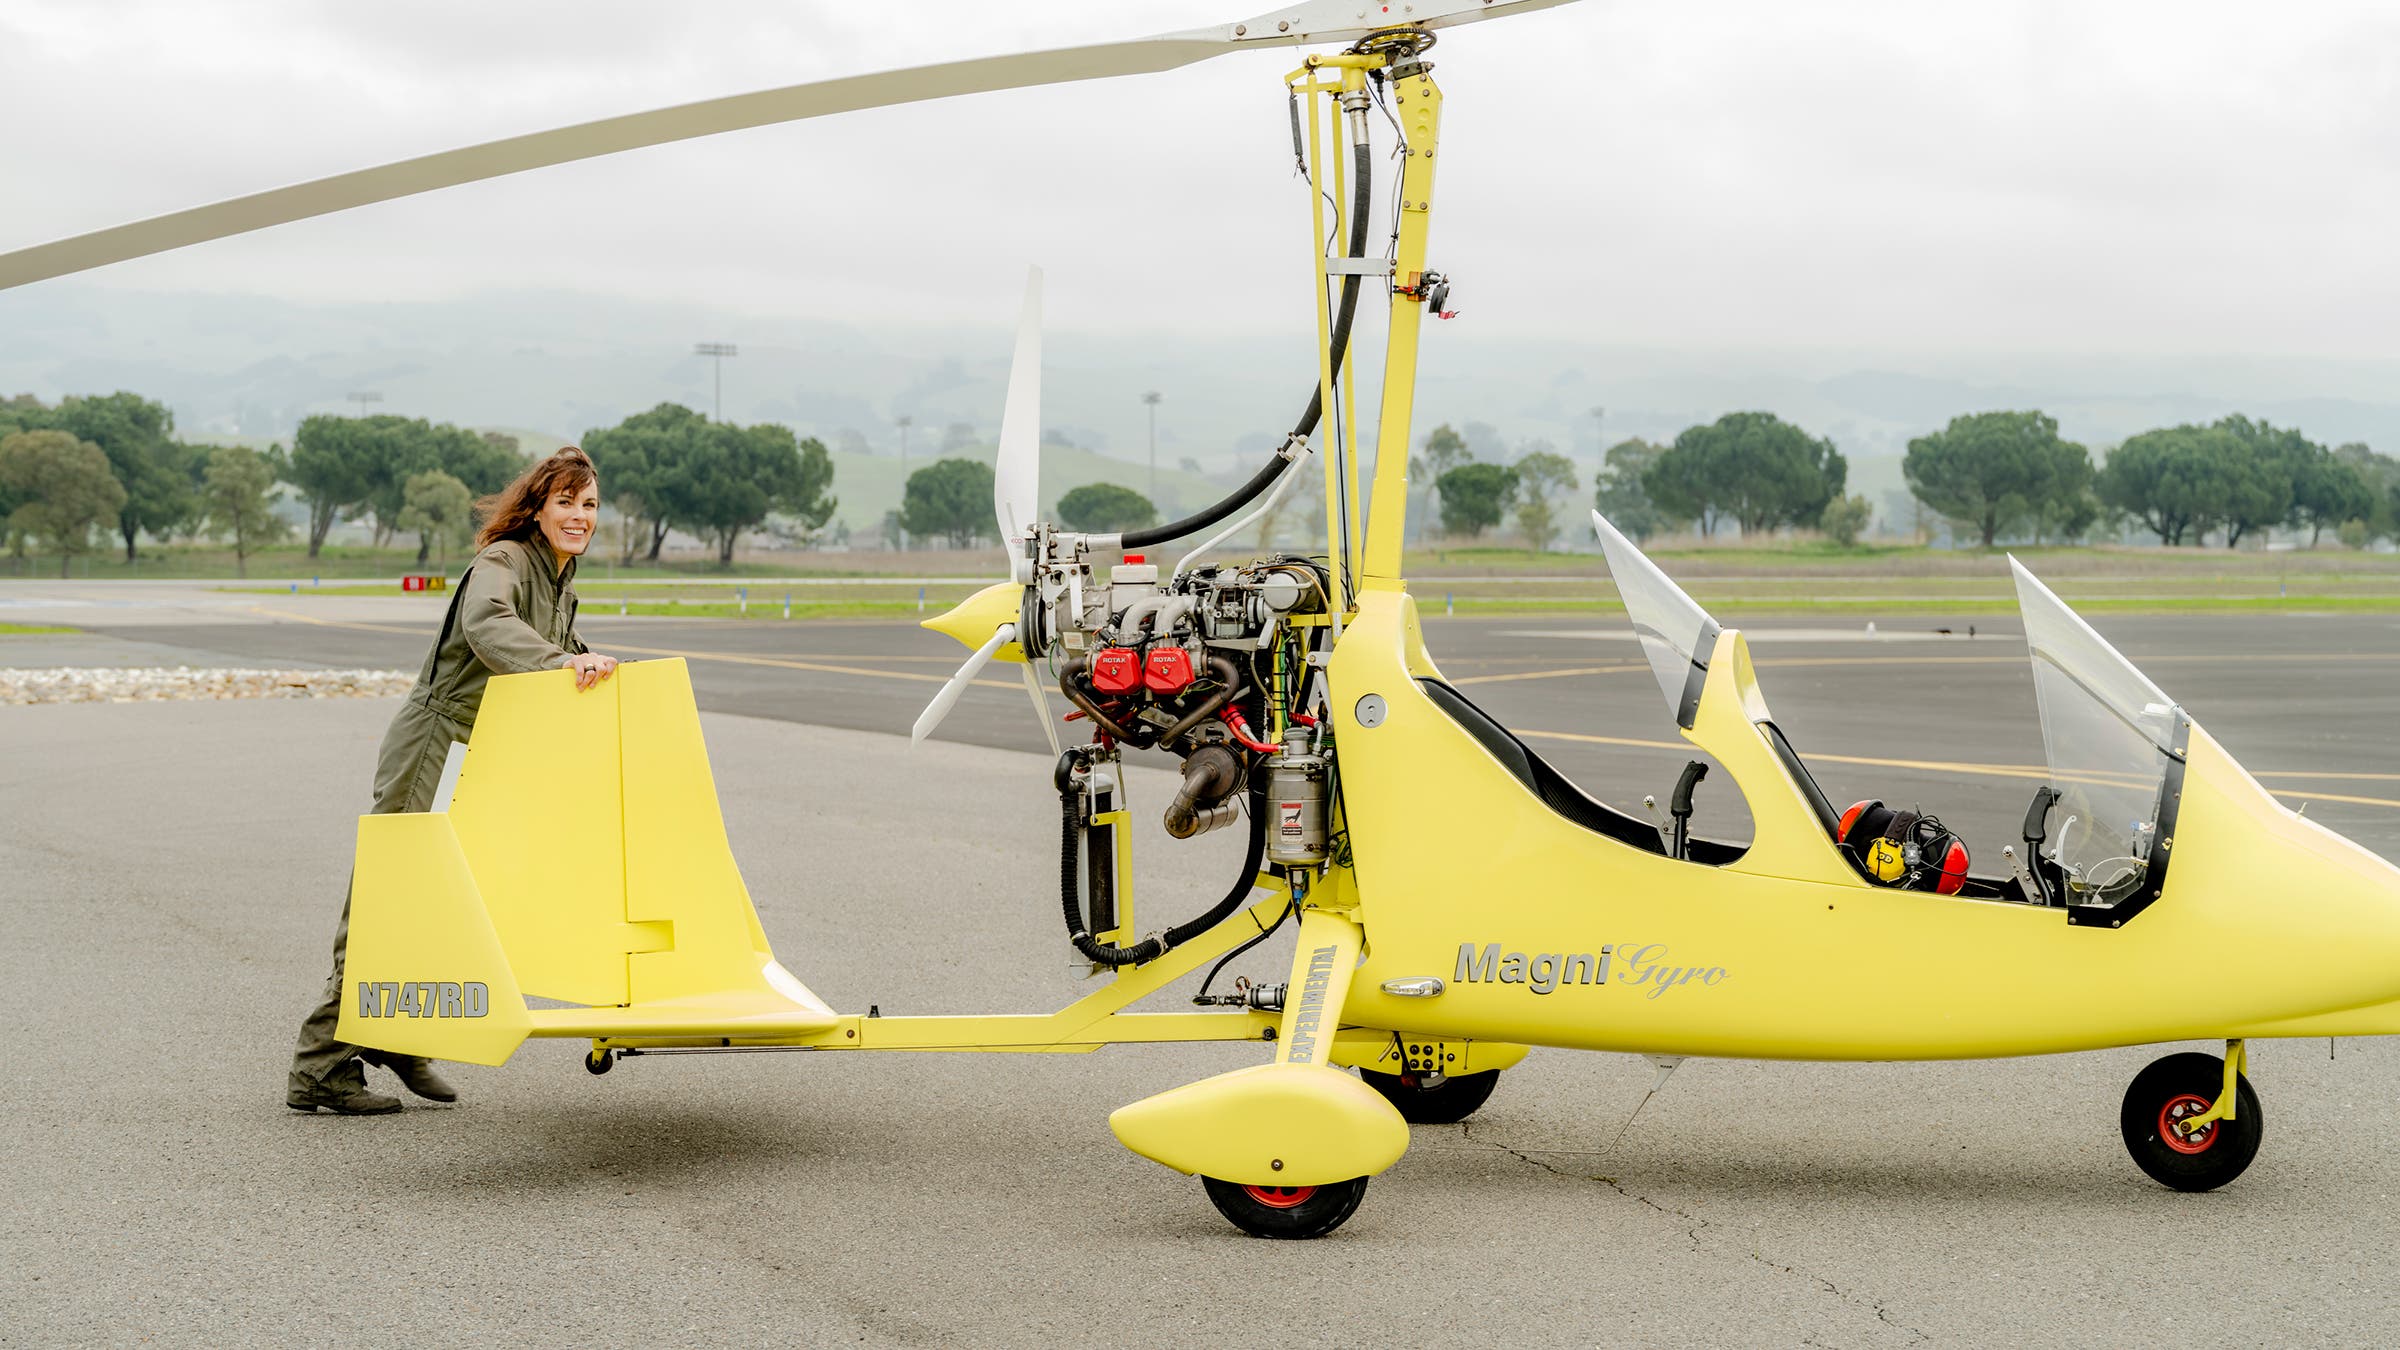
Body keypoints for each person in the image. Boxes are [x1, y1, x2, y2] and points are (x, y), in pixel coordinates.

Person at [287, 446, 619, 1114]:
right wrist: (558, 663)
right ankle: (319, 1065)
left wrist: (605, 669)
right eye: (566, 502)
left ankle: (399, 1035)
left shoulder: (560, 576)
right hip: (435, 743)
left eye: (589, 505)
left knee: (448, 903)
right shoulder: (504, 561)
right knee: (389, 900)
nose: (579, 516)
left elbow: (562, 648)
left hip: (481, 753)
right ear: (537, 506)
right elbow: (489, 625)